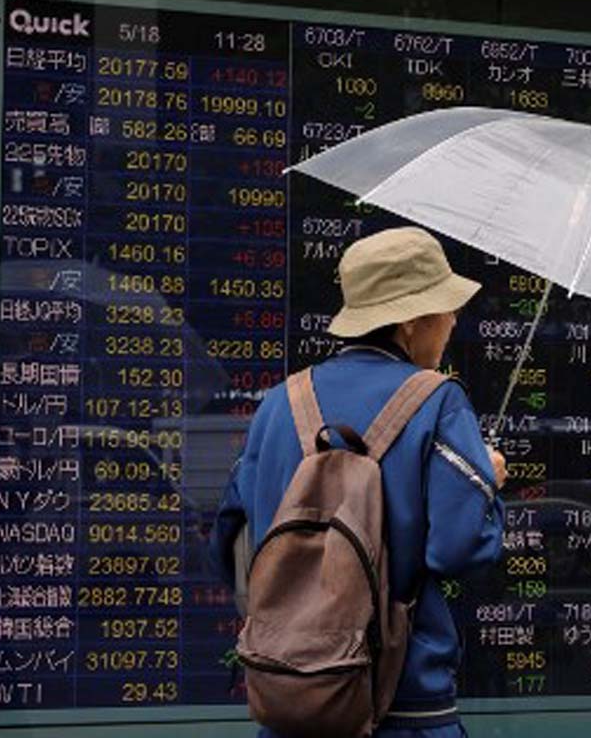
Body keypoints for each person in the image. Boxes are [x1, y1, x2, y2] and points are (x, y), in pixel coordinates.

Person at [210, 226, 507, 738]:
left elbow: (230, 546)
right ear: (411, 320)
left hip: (292, 700)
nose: (453, 321)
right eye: (447, 308)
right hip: (405, 706)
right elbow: (458, 549)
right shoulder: (438, 400)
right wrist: (488, 489)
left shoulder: (280, 403)